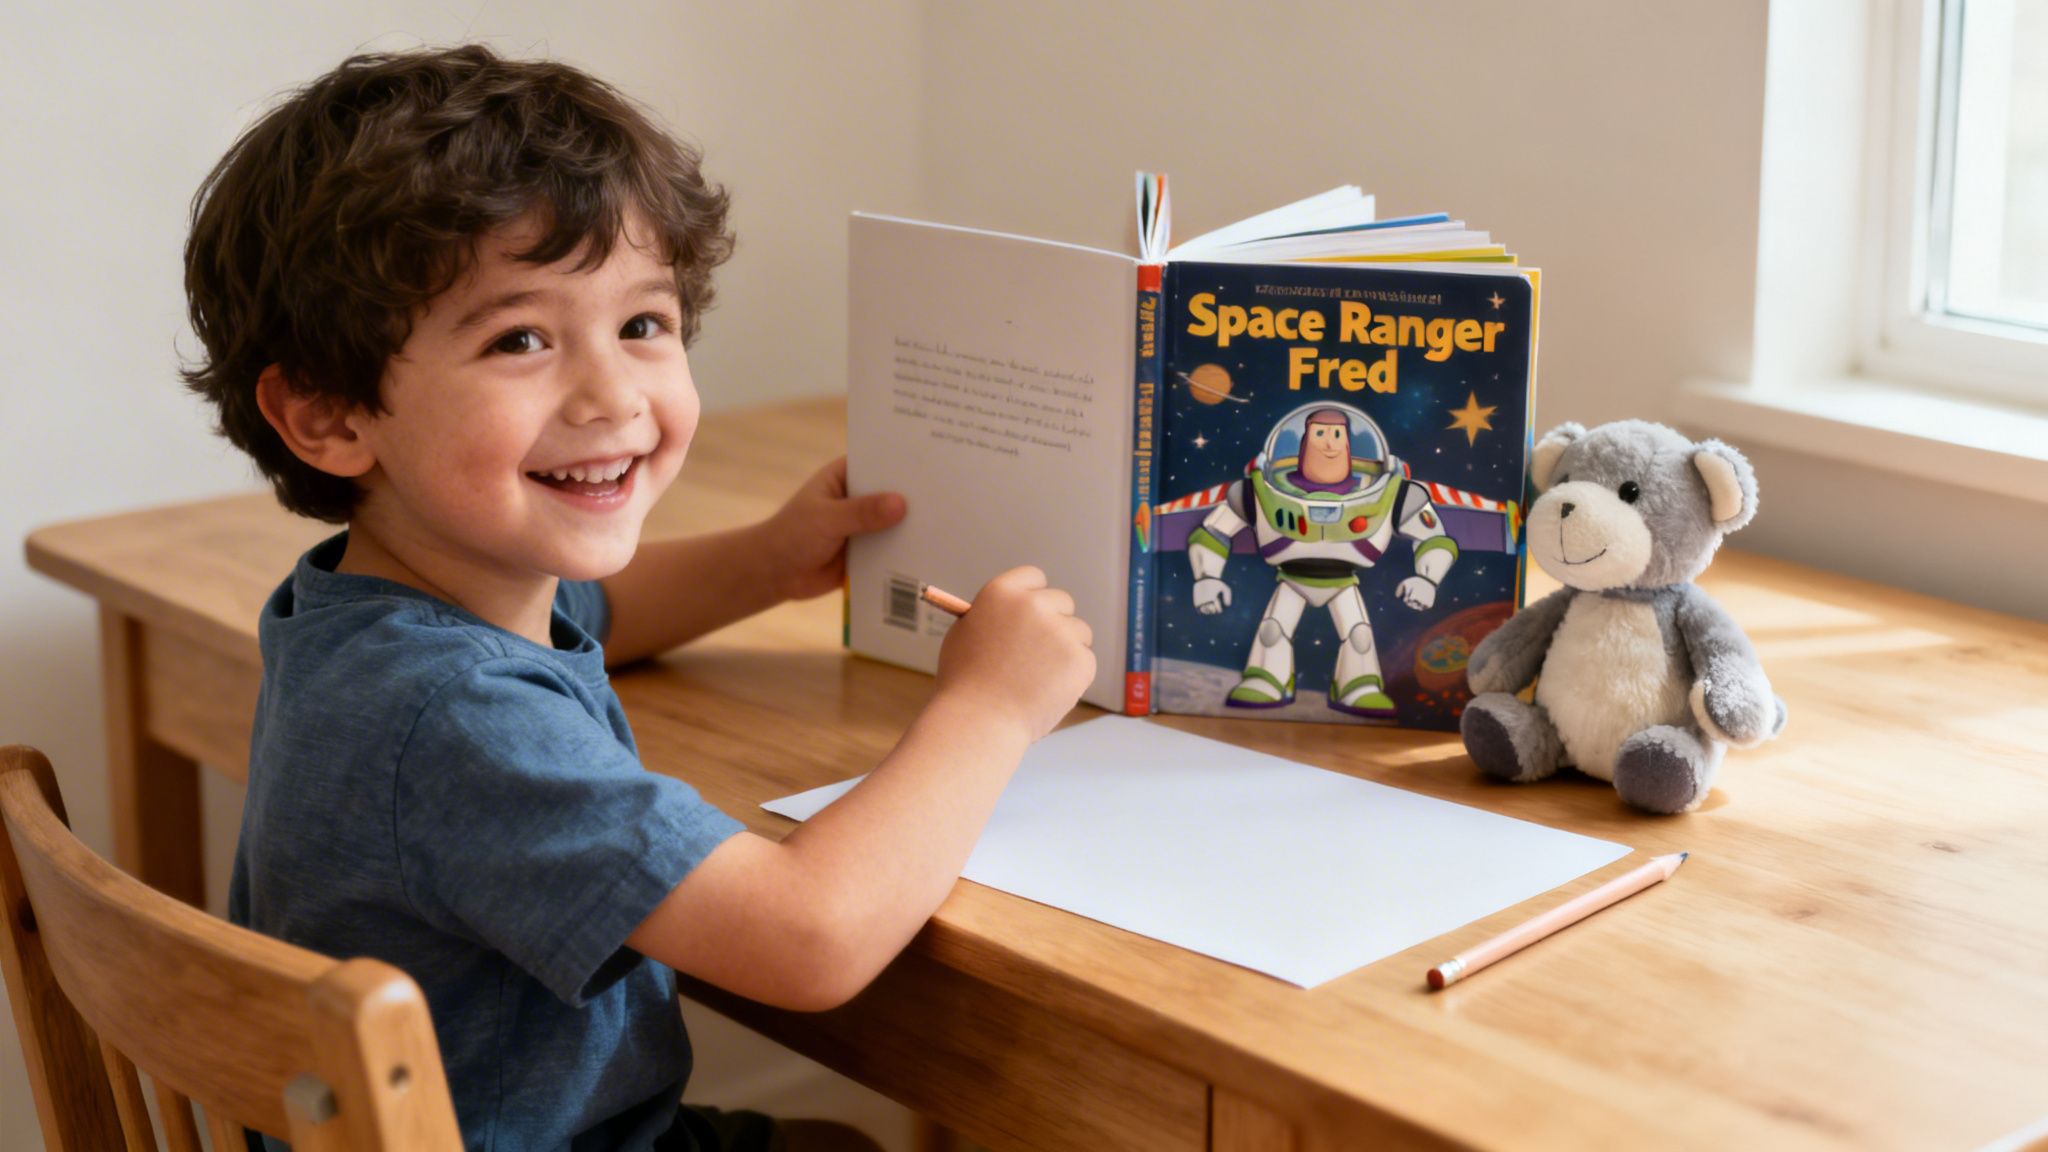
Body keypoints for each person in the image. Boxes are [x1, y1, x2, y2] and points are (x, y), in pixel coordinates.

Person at [181, 44, 1094, 1152]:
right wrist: (990, 706)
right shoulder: (457, 719)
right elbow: (809, 940)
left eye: (642, 325)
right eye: (520, 339)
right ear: (328, 416)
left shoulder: (379, 606)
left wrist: (767, 560)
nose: (612, 394)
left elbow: (596, 613)